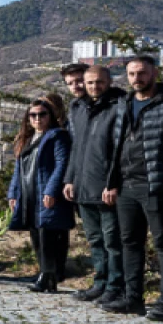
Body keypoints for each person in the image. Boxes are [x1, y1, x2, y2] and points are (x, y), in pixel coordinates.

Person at [101, 56, 163, 320]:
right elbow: (117, 147)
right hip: (127, 185)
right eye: (131, 74)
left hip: (157, 185)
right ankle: (133, 298)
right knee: (130, 243)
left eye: (141, 73)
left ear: (154, 73)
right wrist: (112, 182)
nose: (136, 79)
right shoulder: (124, 105)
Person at [63, 66, 125, 303]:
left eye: (98, 82)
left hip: (106, 187)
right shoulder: (77, 108)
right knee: (95, 239)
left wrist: (113, 183)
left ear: (109, 81)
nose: (93, 87)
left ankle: (115, 285)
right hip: (83, 185)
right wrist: (70, 179)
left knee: (112, 241)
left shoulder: (119, 105)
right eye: (89, 83)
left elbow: (119, 150)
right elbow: (75, 148)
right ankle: (100, 282)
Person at [8, 99, 74, 293]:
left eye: (42, 114)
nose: (38, 118)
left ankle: (50, 275)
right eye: (33, 115)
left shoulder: (57, 136)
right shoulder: (27, 140)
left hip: (46, 193)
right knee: (36, 235)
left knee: (49, 236)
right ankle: (46, 275)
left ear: (50, 116)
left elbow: (62, 164)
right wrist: (13, 193)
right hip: (29, 195)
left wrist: (51, 190)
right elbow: (18, 170)